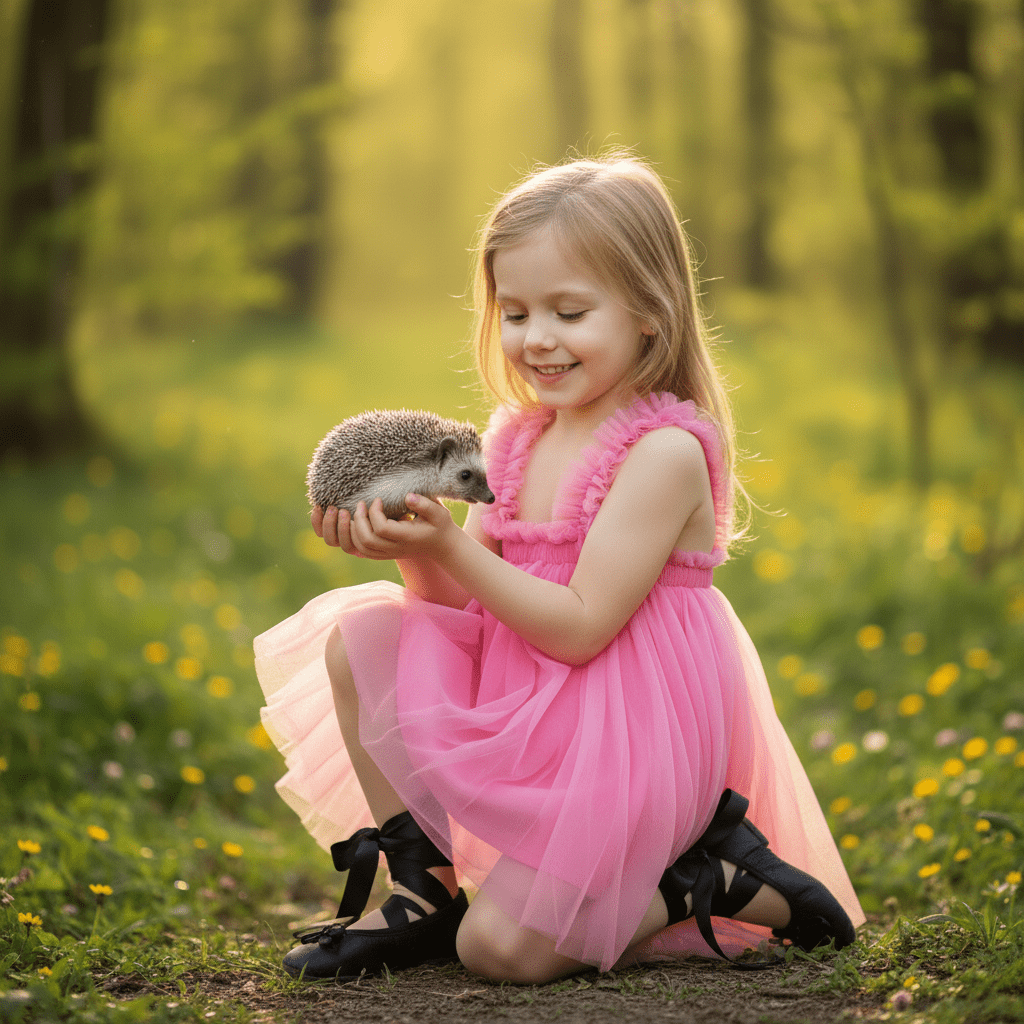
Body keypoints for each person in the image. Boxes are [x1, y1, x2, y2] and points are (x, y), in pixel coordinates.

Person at [254, 153, 864, 984]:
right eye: (515, 312)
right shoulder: (514, 437)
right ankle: (422, 891)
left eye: (570, 311)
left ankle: (712, 879)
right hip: (526, 707)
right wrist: (413, 552)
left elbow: (578, 628)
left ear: (650, 313)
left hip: (627, 735)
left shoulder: (662, 453)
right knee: (361, 638)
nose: (537, 337)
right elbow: (463, 608)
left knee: (503, 950)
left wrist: (449, 543)